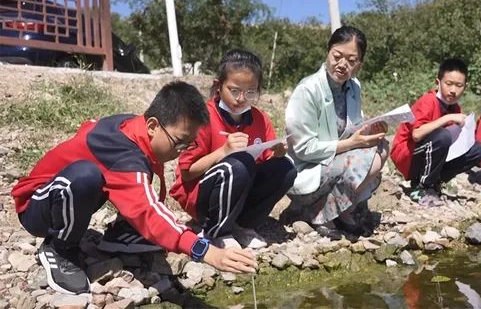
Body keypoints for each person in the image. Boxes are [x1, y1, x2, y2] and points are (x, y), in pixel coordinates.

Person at [11, 81, 257, 295]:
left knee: (106, 177)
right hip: (37, 205)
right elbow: (147, 211)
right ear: (152, 126)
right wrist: (206, 251)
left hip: (68, 195)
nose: (180, 152)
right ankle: (60, 248)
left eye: (188, 145)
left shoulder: (133, 128)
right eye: (179, 143)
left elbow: (140, 194)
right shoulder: (124, 153)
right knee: (85, 176)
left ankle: (121, 232)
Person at [169, 49, 296, 249]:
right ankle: (216, 230)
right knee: (238, 164)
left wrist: (276, 154)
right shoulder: (203, 117)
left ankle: (243, 225)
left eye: (250, 92)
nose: (241, 98)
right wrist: (223, 152)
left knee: (285, 168)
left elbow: (262, 167)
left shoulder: (260, 119)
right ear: (219, 86)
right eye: (234, 90)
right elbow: (187, 172)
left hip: (239, 194)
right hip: (203, 197)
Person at [284, 25, 389, 240]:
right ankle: (318, 212)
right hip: (308, 170)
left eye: (351, 61)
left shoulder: (353, 87)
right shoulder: (308, 89)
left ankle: (341, 209)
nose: (342, 65)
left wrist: (372, 130)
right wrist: (352, 144)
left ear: (359, 64)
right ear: (328, 52)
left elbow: (353, 127)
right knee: (369, 161)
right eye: (337, 56)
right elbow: (303, 149)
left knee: (383, 146)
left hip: (334, 161)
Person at [390, 58, 481, 204]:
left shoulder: (454, 107)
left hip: (430, 153)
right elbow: (416, 135)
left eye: (459, 86)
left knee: (477, 149)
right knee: (442, 136)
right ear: (438, 82)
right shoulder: (428, 101)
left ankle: (435, 182)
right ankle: (421, 187)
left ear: (465, 87)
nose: (453, 90)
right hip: (407, 155)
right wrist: (447, 118)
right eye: (449, 84)